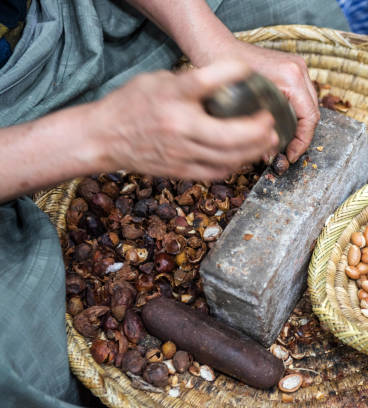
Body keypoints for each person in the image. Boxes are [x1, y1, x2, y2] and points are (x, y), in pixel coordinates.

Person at [0, 1, 349, 406]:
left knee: (296, 12)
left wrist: (212, 41)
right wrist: (96, 136)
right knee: (18, 352)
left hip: (65, 21)